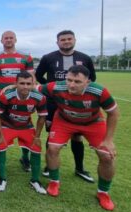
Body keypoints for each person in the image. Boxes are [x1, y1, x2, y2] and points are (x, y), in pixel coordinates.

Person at [40, 65, 118, 211]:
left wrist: (109, 140)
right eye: (69, 80)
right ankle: (54, 182)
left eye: (77, 81)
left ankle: (103, 192)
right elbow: (33, 87)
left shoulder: (99, 91)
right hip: (64, 120)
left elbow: (113, 113)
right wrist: (10, 86)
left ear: (87, 82)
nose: (71, 84)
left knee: (107, 156)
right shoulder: (56, 86)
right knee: (52, 149)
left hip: (92, 122)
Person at [36, 30, 96, 182]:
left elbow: (92, 78)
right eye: (63, 40)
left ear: (75, 40)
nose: (66, 42)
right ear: (57, 42)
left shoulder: (84, 58)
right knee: (53, 134)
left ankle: (80, 168)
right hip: (54, 103)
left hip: (77, 104)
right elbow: (38, 75)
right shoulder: (48, 57)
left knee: (77, 135)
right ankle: (50, 166)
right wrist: (51, 89)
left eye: (69, 39)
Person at [0, 71, 47, 194]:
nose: (25, 86)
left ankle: (35, 180)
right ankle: (2, 178)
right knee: (1, 147)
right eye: (22, 83)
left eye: (28, 83)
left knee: (36, 148)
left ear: (33, 84)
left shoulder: (39, 97)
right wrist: (0, 134)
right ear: (15, 83)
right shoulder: (7, 95)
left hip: (26, 126)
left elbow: (42, 117)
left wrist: (37, 136)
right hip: (8, 125)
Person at [0, 31, 35, 172]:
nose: (8, 40)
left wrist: (31, 95)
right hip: (2, 98)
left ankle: (25, 157)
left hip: (22, 98)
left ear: (16, 39)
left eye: (11, 38)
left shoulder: (26, 57)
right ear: (1, 40)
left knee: (24, 124)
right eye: (6, 38)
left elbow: (32, 79)